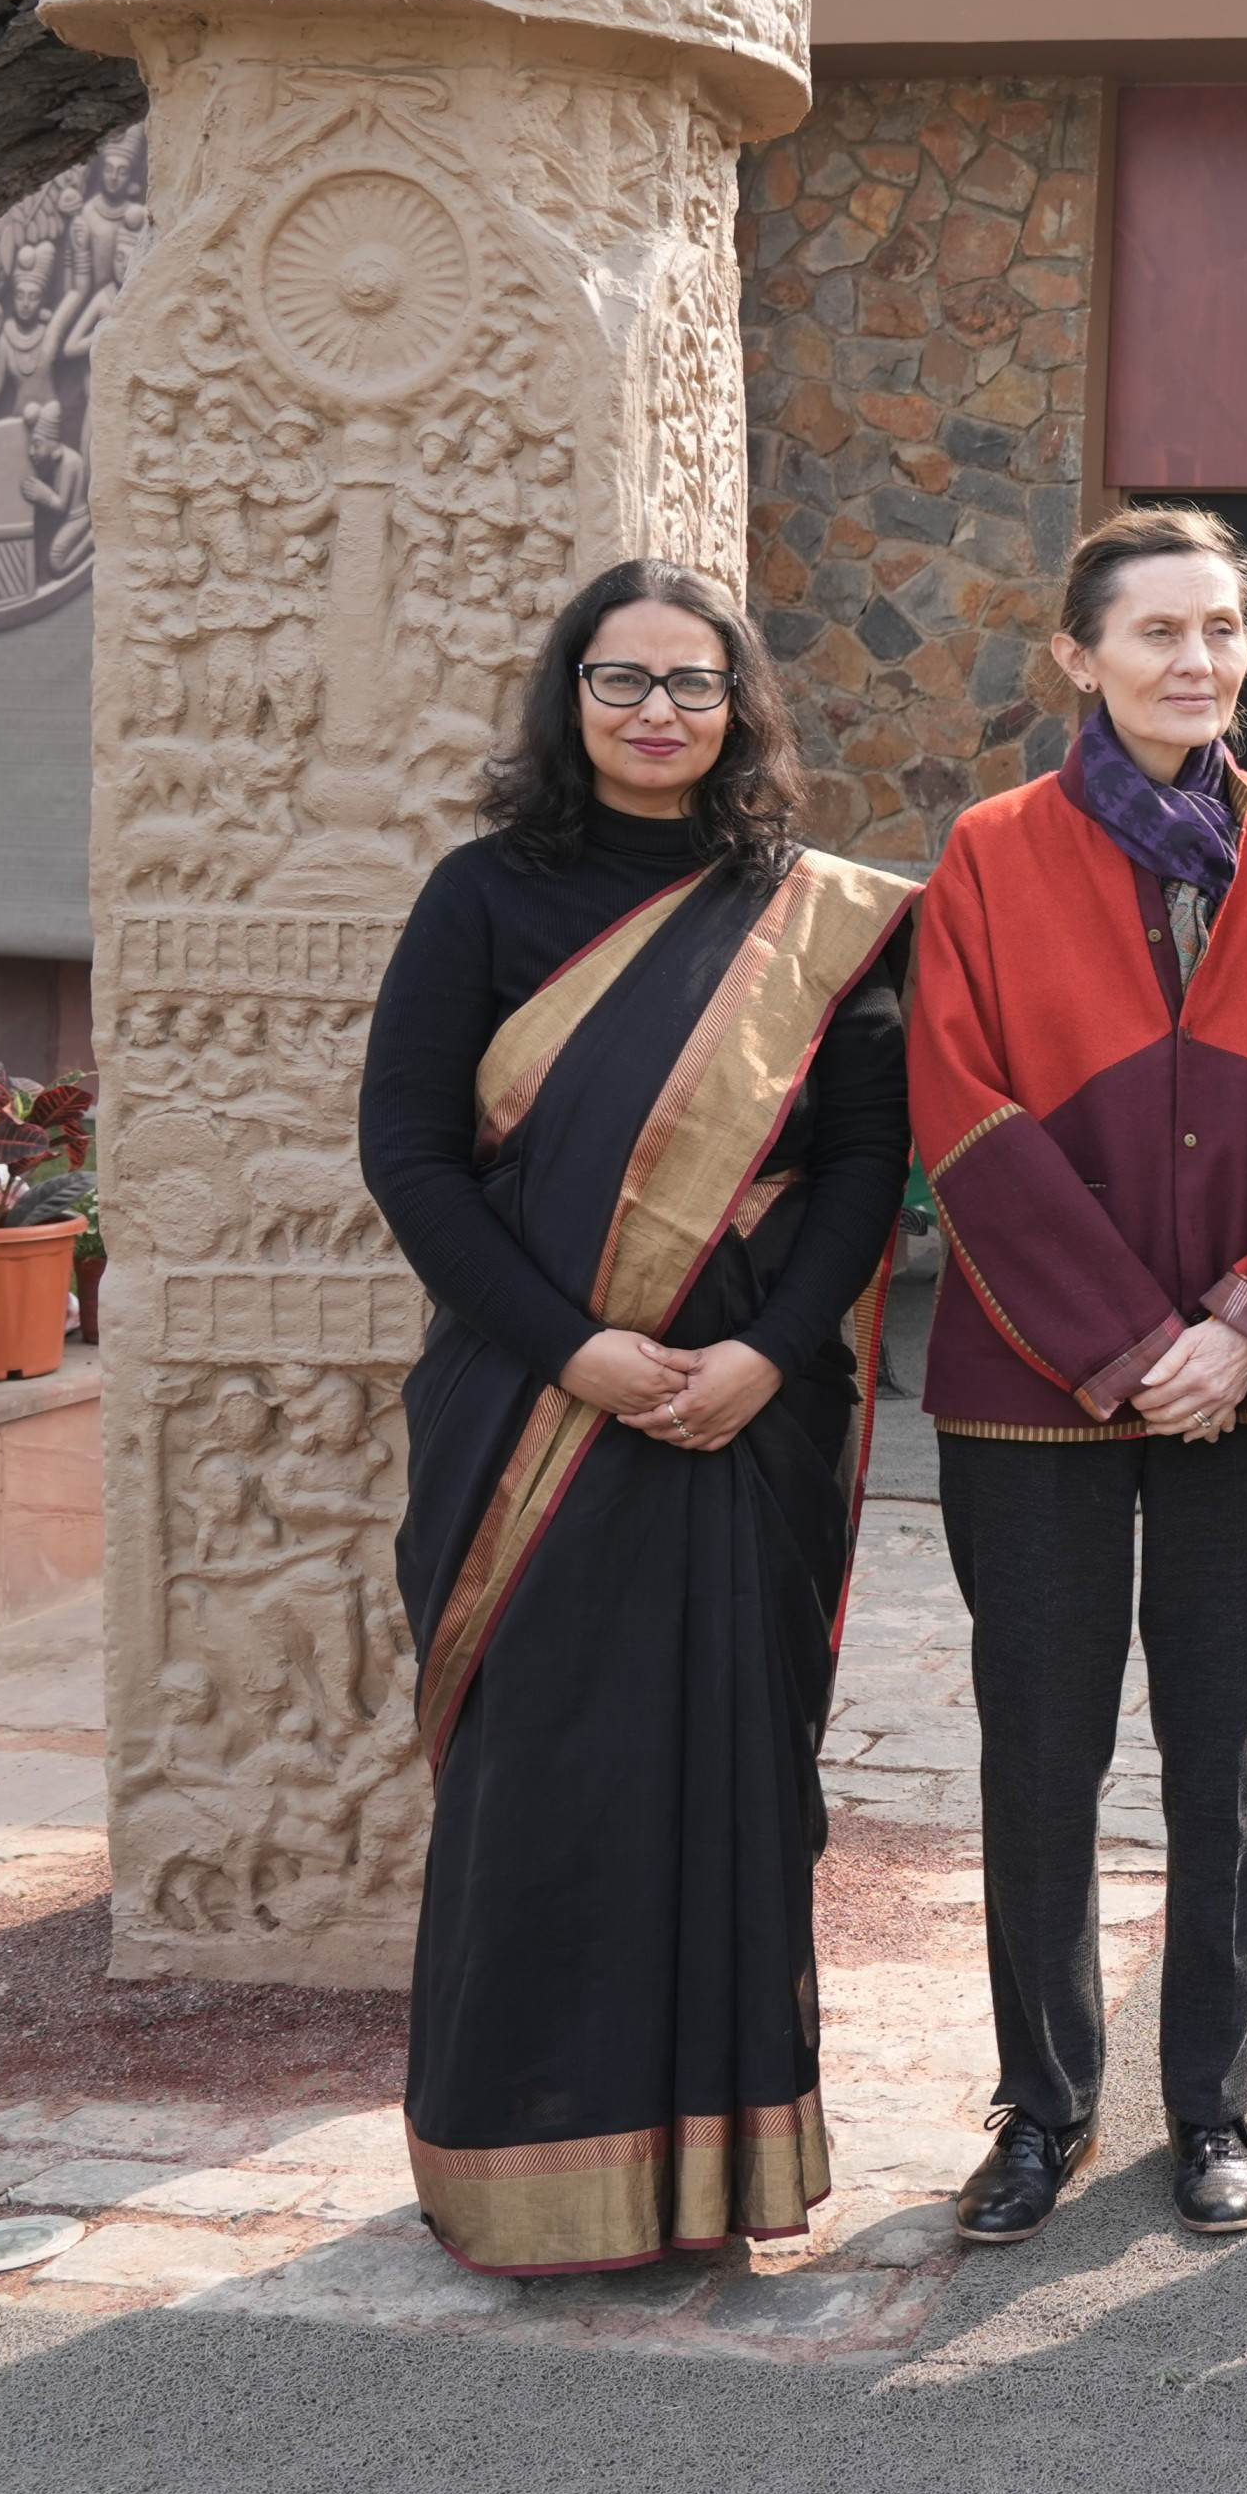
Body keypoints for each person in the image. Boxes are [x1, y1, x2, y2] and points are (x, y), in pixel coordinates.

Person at [358, 560, 917, 2276]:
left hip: (746, 1412)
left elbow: (862, 1168)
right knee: (544, 1781)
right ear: (569, 698)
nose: (659, 712)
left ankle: (723, 2180)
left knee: (730, 1782)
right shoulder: (480, 897)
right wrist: (571, 1351)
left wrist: (766, 1356)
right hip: (535, 1408)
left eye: (694, 683)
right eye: (623, 681)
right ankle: (515, 2173)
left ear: (741, 705)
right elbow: (415, 1161)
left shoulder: (817, 913)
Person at [910, 508, 1247, 2246]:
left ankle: (1215, 2109)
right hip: (1032, 1390)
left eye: (1217, 632)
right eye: (1155, 634)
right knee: (1040, 1751)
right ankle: (1039, 2110)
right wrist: (1134, 1349)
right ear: (1080, 656)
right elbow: (961, 1115)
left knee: (1229, 1754)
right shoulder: (988, 852)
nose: (1194, 661)